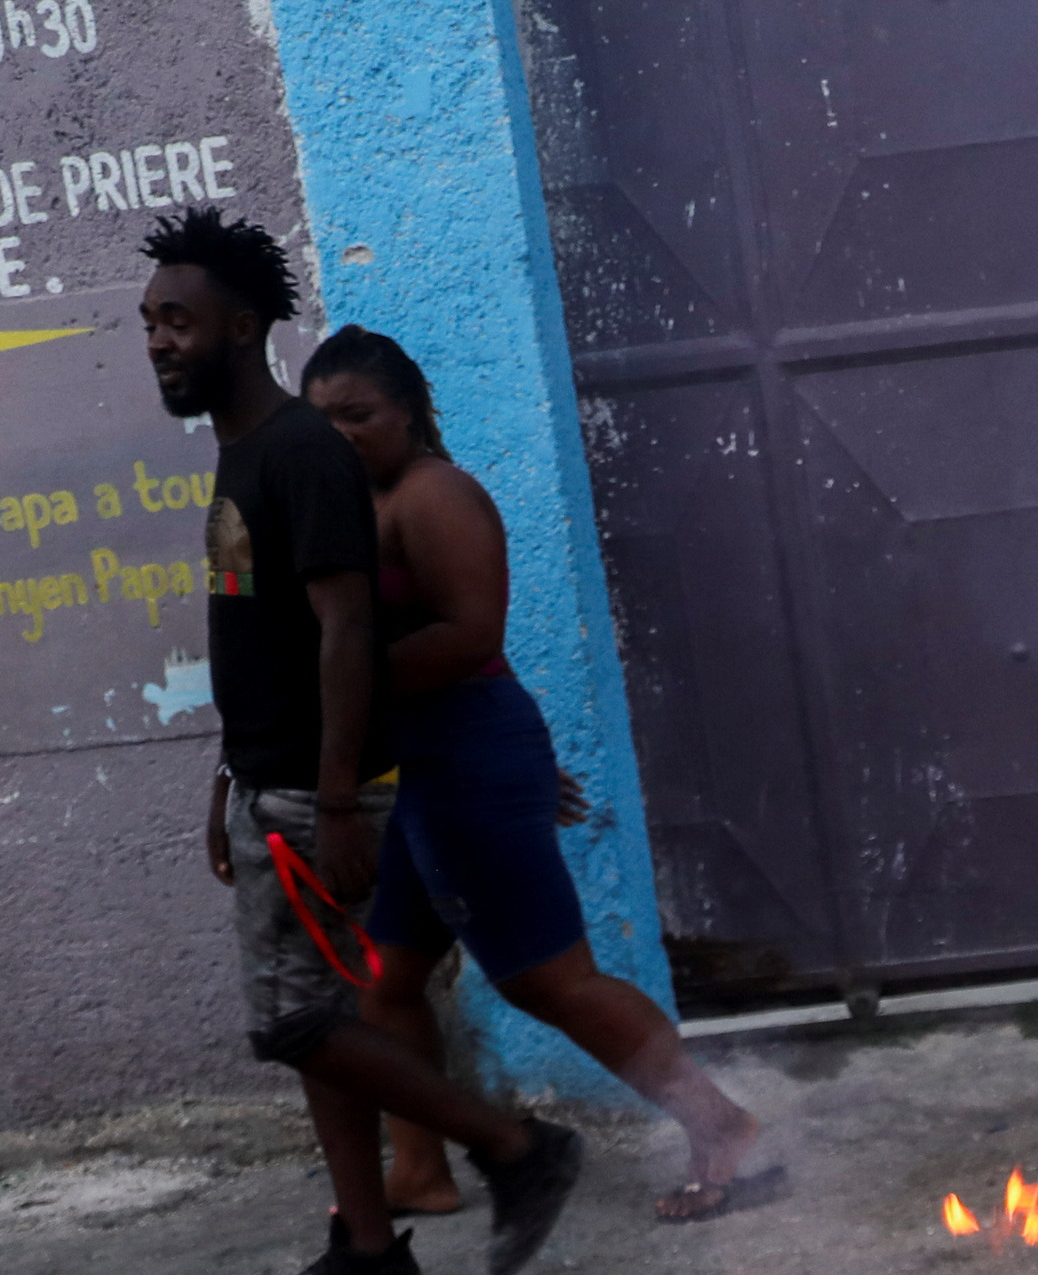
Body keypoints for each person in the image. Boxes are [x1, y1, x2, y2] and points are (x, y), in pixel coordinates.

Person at [137, 207, 580, 1275]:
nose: (158, 342)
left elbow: (346, 635)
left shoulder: (299, 455)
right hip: (270, 779)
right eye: (149, 324)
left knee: (293, 1022)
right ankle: (371, 1247)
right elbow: (267, 643)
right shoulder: (247, 456)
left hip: (316, 793)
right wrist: (225, 782)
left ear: (243, 328)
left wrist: (336, 800)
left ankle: (513, 1145)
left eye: (179, 323)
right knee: (321, 1031)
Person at [293, 326, 778, 1224]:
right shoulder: (355, 505)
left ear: (409, 412)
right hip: (427, 769)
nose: (343, 434)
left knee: (550, 981)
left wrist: (331, 684)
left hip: (464, 758)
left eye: (360, 415)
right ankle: (420, 1171)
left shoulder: (435, 495)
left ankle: (724, 1127)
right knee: (385, 982)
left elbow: (471, 638)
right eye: (323, 420)